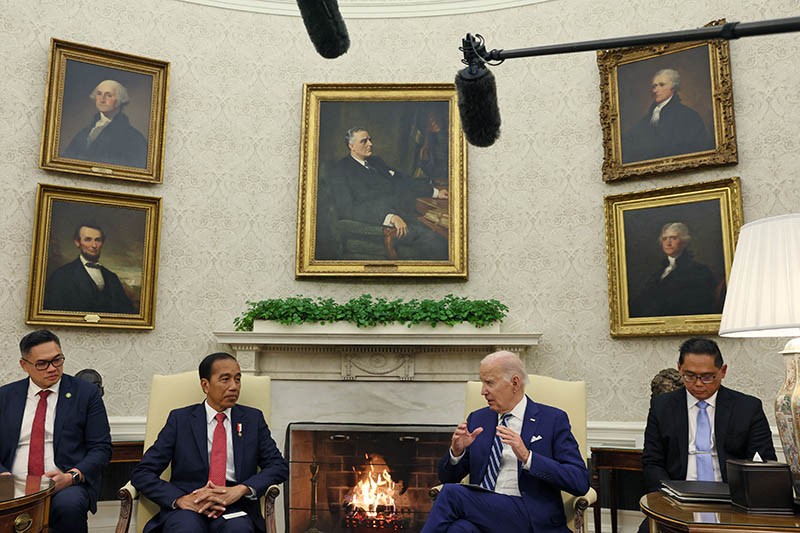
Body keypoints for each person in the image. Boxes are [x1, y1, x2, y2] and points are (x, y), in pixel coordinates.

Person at [422, 351, 590, 533]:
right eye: (482, 382)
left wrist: (528, 457)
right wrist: (456, 453)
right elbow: (447, 477)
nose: (483, 391)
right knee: (458, 529)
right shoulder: (478, 419)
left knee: (450, 494)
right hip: (484, 514)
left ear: (515, 383)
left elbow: (579, 481)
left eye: (490, 383)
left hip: (530, 517)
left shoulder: (552, 419)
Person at [131, 352, 289, 533]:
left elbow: (279, 466)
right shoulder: (180, 420)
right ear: (205, 385)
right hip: (189, 504)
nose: (234, 386)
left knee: (239, 529)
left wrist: (240, 490)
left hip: (234, 506)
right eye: (225, 379)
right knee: (186, 529)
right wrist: (180, 499)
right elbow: (142, 473)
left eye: (237, 379)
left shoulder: (252, 419)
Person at [639, 338, 776, 533]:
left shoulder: (747, 407)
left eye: (707, 377)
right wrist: (667, 500)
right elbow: (652, 462)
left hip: (732, 505)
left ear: (723, 371)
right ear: (679, 368)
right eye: (689, 376)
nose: (698, 384)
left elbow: (764, 462)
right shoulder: (662, 407)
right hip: (676, 502)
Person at [0, 330, 112, 533]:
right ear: (24, 365)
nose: (52, 368)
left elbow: (101, 448)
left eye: (57, 360)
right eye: (42, 363)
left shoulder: (86, 394)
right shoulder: (5, 396)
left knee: (69, 505)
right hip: (9, 482)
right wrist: (3, 476)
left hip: (64, 483)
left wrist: (72, 476)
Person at [327, 127, 449, 260]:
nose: (370, 144)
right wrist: (389, 217)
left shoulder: (376, 162)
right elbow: (347, 209)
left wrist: (435, 192)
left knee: (441, 232)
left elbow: (403, 181)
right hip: (379, 227)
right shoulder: (341, 170)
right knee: (435, 241)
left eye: (370, 140)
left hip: (404, 216)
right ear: (352, 146)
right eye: (364, 141)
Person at [621, 68, 714, 164]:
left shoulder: (688, 116)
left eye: (661, 85)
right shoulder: (648, 118)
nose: (655, 90)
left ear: (673, 88)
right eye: (654, 86)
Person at [43, 222, 137, 314]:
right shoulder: (61, 276)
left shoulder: (112, 278)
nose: (94, 245)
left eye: (98, 240)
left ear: (102, 243)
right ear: (77, 242)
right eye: (88, 240)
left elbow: (127, 313)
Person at [629, 222, 718, 318]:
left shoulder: (700, 271)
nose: (668, 243)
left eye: (674, 238)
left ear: (684, 242)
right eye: (664, 239)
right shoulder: (657, 274)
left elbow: (698, 305)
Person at [61, 79, 148, 168]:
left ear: (120, 100)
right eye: (99, 94)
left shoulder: (134, 138)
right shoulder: (85, 132)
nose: (102, 100)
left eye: (109, 95)